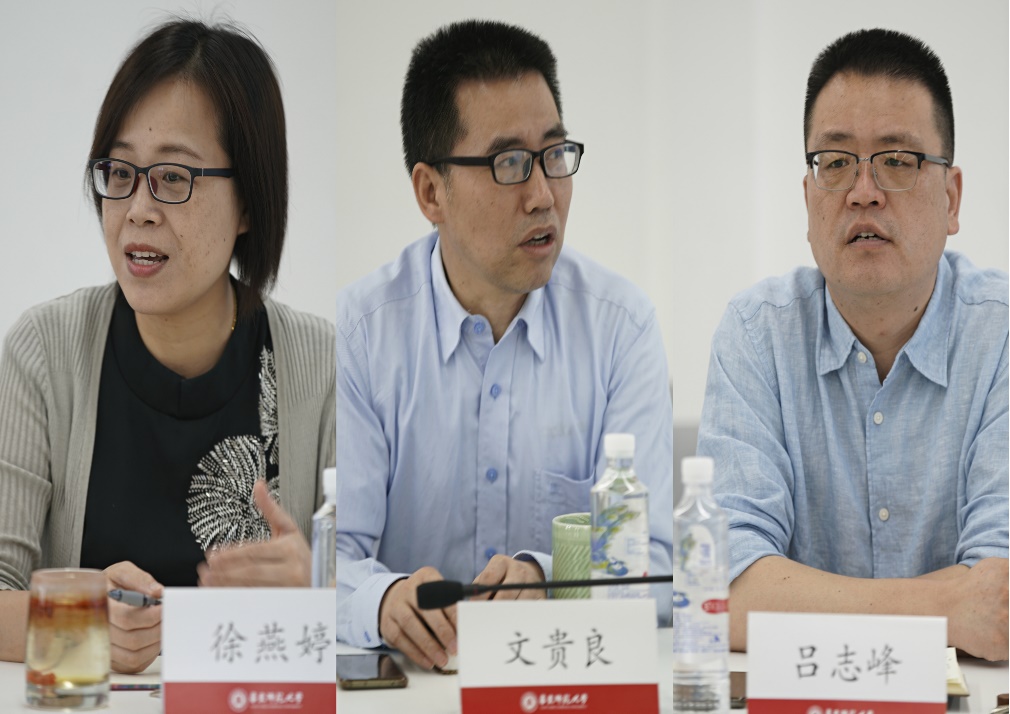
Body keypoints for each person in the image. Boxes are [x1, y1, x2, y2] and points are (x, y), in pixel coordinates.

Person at [336, 19, 673, 669]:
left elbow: (655, 564)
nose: (543, 195)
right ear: (430, 192)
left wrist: (550, 577)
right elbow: (330, 558)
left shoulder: (620, 328)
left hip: (562, 682)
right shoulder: (361, 333)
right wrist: (382, 601)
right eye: (509, 164)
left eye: (554, 155)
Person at [0, 20, 335, 672]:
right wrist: (79, 619)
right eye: (120, 172)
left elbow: (380, 591)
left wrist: (320, 587)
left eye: (174, 178)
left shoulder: (322, 367)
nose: (138, 209)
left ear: (249, 202)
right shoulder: (44, 353)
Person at [698, 28, 1008, 661]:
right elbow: (721, 591)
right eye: (836, 162)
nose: (863, 190)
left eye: (897, 160)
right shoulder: (756, 334)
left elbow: (999, 600)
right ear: (808, 197)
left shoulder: (999, 337)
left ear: (952, 199)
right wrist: (944, 607)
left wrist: (794, 601)